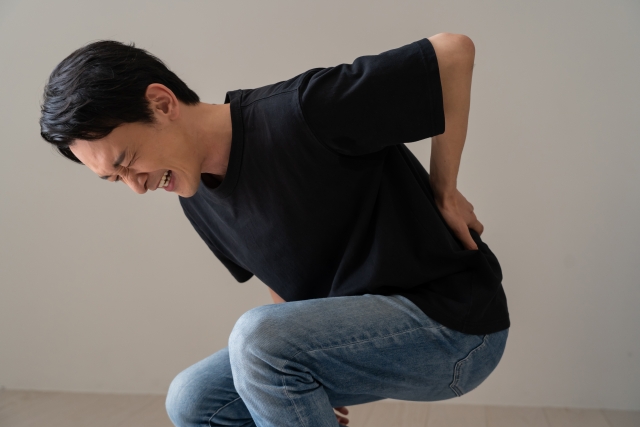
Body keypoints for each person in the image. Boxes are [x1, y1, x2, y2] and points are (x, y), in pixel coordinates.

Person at [40, 32, 510, 427]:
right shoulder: (195, 199)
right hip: (366, 341)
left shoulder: (304, 112)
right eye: (114, 179)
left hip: (454, 329)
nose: (136, 187)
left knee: (256, 337)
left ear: (162, 103)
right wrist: (294, 384)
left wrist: (445, 189)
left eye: (127, 161)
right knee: (192, 399)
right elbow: (284, 279)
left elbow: (451, 54)